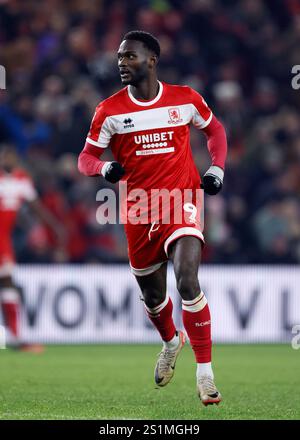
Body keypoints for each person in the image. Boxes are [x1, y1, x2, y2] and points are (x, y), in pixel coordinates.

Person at [78, 31, 227, 405]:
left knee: (187, 280)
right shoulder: (109, 110)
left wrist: (217, 169)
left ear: (152, 60)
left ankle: (205, 375)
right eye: (119, 57)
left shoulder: (185, 98)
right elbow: (85, 158)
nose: (121, 63)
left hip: (182, 201)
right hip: (139, 210)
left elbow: (216, 131)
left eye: (129, 57)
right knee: (153, 296)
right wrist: (104, 168)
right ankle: (170, 341)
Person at [0, 144, 65, 352]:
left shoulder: (21, 180)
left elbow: (36, 207)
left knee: (8, 283)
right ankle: (16, 338)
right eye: (4, 157)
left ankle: (16, 337)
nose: (6, 160)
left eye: (9, 157)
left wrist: (54, 227)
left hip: (4, 240)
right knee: (7, 283)